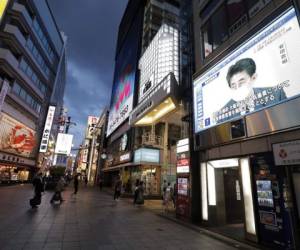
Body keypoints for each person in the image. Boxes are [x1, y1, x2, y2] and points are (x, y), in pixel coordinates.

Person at [213, 58, 287, 124]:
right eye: (233, 86)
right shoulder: (223, 114)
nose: (238, 88)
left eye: (241, 82)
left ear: (253, 78)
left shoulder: (276, 94)